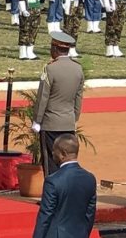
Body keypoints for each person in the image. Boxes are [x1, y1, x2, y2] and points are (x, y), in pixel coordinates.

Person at [32, 32, 84, 176]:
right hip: (68, 122)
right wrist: (74, 117)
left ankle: (51, 196)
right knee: (67, 162)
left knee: (50, 162)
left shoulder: (50, 69)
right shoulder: (78, 68)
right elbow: (78, 97)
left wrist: (37, 120)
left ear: (54, 49)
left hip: (51, 123)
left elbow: (43, 97)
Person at [32, 134, 97, 238]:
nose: (52, 153)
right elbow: (90, 214)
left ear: (63, 154)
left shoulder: (52, 181)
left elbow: (45, 216)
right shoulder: (90, 179)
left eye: (54, 150)